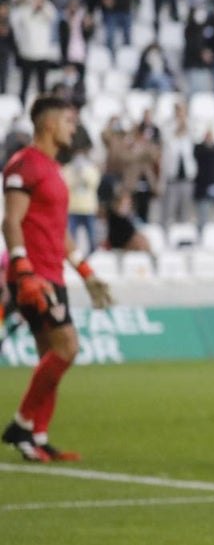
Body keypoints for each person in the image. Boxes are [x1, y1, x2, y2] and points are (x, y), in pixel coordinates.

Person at [2, 95, 113, 462]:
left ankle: (36, 437)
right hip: (35, 276)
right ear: (49, 125)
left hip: (53, 274)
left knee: (49, 357)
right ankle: (21, 424)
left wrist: (86, 273)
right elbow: (11, 221)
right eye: (68, 122)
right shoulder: (24, 164)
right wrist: (23, 271)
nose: (73, 128)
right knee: (67, 348)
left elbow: (57, 229)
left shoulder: (52, 169)